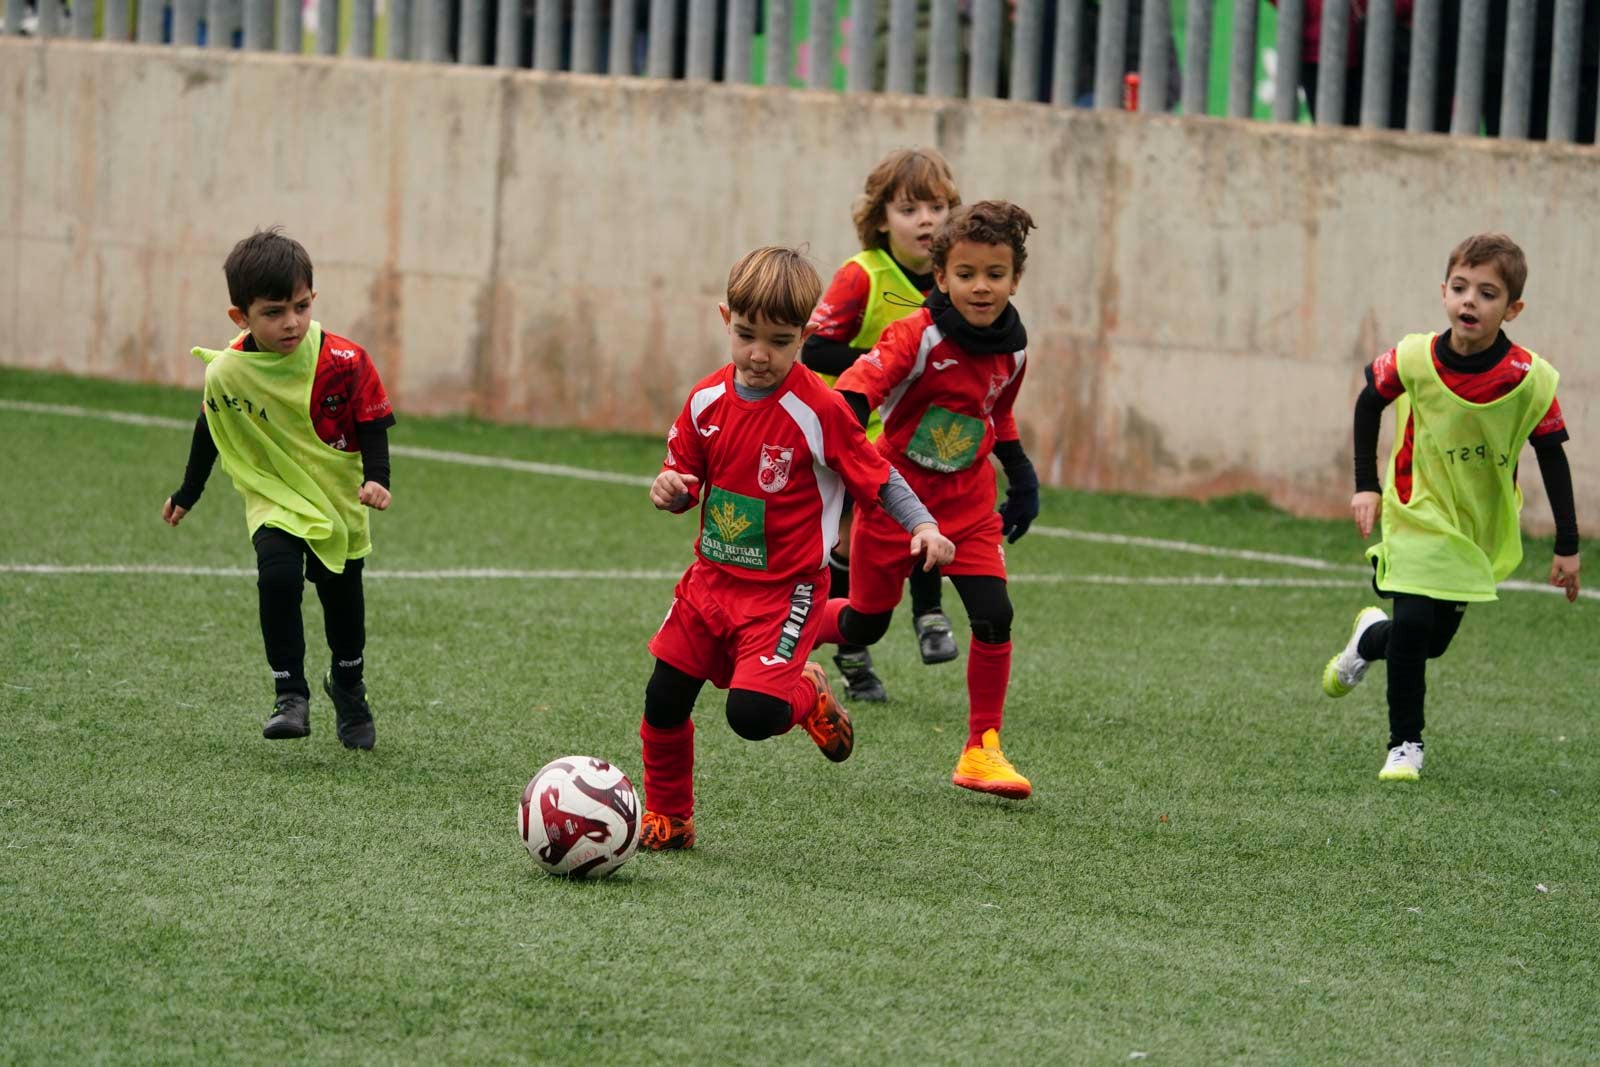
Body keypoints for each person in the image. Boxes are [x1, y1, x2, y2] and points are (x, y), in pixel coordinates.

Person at [639, 246, 956, 850]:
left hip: (785, 594)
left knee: (752, 717)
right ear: (724, 318)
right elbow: (686, 476)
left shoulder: (820, 409)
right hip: (709, 583)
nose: (759, 354)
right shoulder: (706, 399)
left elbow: (877, 475)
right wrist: (672, 490)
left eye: (780, 341)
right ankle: (671, 817)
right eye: (746, 334)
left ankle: (806, 688)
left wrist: (922, 525)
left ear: (805, 334)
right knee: (663, 698)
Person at [1322, 233, 1580, 781]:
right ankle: (1405, 745)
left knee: (1428, 642)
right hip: (1416, 512)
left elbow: (1552, 456)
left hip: (1475, 528)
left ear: (1513, 308)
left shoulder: (1529, 379)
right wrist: (1366, 485)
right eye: (1460, 288)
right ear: (1443, 292)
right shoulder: (1413, 357)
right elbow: (1369, 403)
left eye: (1487, 294)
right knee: (1414, 621)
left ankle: (1368, 638)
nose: (1470, 301)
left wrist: (1567, 544)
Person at [819, 201, 1041, 800]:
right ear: (940, 277)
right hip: (896, 500)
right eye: (965, 274)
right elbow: (858, 388)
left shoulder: (1015, 348)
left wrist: (1019, 474)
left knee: (995, 614)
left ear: (1014, 279)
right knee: (865, 619)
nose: (981, 286)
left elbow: (998, 413)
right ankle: (775, 637)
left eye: (995, 274)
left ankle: (981, 749)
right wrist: (849, 441)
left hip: (968, 506)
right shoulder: (917, 334)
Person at [161, 228, 396, 750]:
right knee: (279, 577)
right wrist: (187, 492)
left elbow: (373, 423)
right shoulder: (229, 371)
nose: (291, 322)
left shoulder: (346, 361)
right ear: (239, 317)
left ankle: (349, 686)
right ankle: (290, 692)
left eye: (301, 306)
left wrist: (377, 479)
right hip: (275, 495)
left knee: (343, 606)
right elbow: (211, 429)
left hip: (338, 502)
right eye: (273, 312)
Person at [802, 147, 962, 703]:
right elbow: (815, 348)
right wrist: (888, 362)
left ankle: (929, 615)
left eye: (937, 207)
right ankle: (851, 648)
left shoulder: (955, 282)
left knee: (925, 523)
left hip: (921, 440)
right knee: (850, 545)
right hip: (857, 435)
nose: (926, 220)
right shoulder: (862, 275)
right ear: (880, 219)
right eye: (909, 208)